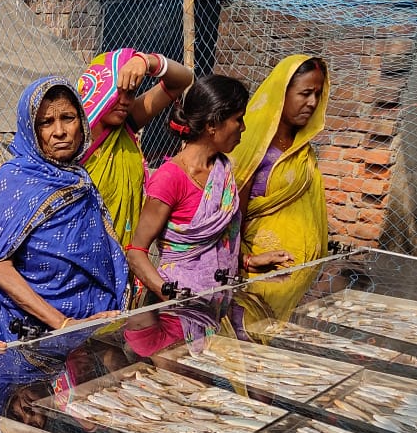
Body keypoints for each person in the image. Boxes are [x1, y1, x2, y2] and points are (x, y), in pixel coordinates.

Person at [0, 76, 129, 341]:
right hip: (38, 332)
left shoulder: (79, 179)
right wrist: (63, 324)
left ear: (82, 124)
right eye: (46, 122)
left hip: (95, 322)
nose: (59, 131)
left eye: (68, 118)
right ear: (31, 129)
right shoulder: (16, 179)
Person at [124, 75, 292, 304]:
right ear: (212, 125)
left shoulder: (221, 171)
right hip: (174, 307)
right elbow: (136, 252)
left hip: (215, 302)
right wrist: (171, 296)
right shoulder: (170, 179)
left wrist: (248, 261)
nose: (243, 128)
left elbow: (216, 248)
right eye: (238, 119)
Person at [229, 55, 330, 320]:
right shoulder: (253, 146)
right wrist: (244, 261)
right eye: (305, 93)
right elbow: (232, 216)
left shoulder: (303, 150)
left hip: (299, 280)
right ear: (281, 94)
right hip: (258, 276)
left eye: (318, 94)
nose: (312, 103)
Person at [77, 48, 194, 247]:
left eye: (130, 93)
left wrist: (146, 61)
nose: (124, 102)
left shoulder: (126, 125)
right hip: (80, 253)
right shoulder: (70, 138)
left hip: (123, 257)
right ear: (99, 92)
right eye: (116, 93)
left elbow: (183, 79)